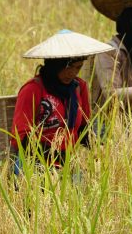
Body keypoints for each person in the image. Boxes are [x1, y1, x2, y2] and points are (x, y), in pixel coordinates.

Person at [10, 29, 114, 170]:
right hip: (33, 161)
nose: (72, 73)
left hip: (66, 161)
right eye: (67, 67)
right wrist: (52, 155)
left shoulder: (79, 88)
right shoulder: (33, 89)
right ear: (55, 65)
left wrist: (100, 147)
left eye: (77, 67)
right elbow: (20, 137)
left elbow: (83, 128)